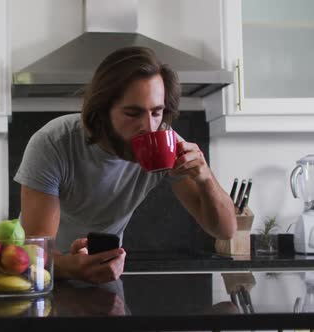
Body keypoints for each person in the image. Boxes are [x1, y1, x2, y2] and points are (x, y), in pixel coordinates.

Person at [13, 46, 237, 284]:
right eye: (133, 113)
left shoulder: (167, 143)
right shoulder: (53, 143)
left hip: (105, 270)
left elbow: (225, 231)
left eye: (156, 113)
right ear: (102, 111)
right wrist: (72, 266)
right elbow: (36, 252)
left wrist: (205, 178)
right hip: (39, 275)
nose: (149, 127)